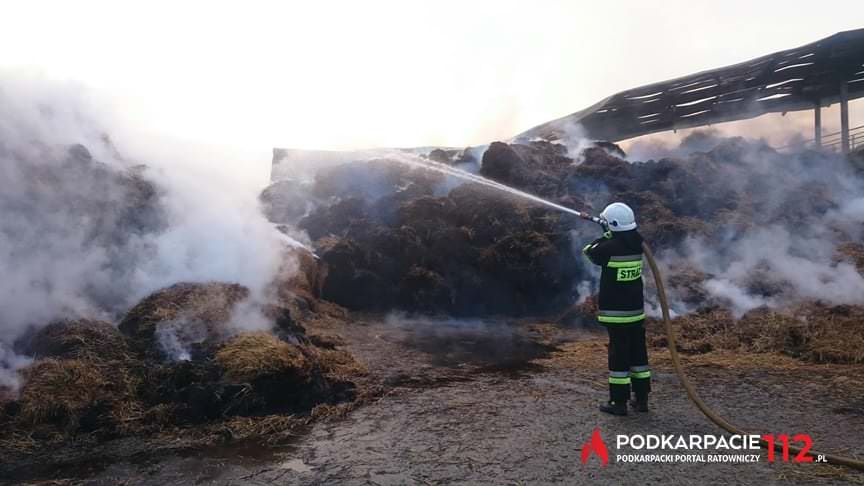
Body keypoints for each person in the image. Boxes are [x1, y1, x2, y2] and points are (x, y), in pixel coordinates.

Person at [582, 202, 650, 416]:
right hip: (635, 311)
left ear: (612, 226)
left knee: (618, 356)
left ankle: (618, 402)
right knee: (639, 354)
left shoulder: (609, 248)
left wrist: (605, 233)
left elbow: (589, 251)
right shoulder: (637, 243)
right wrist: (610, 228)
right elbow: (628, 236)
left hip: (616, 314)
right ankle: (641, 399)